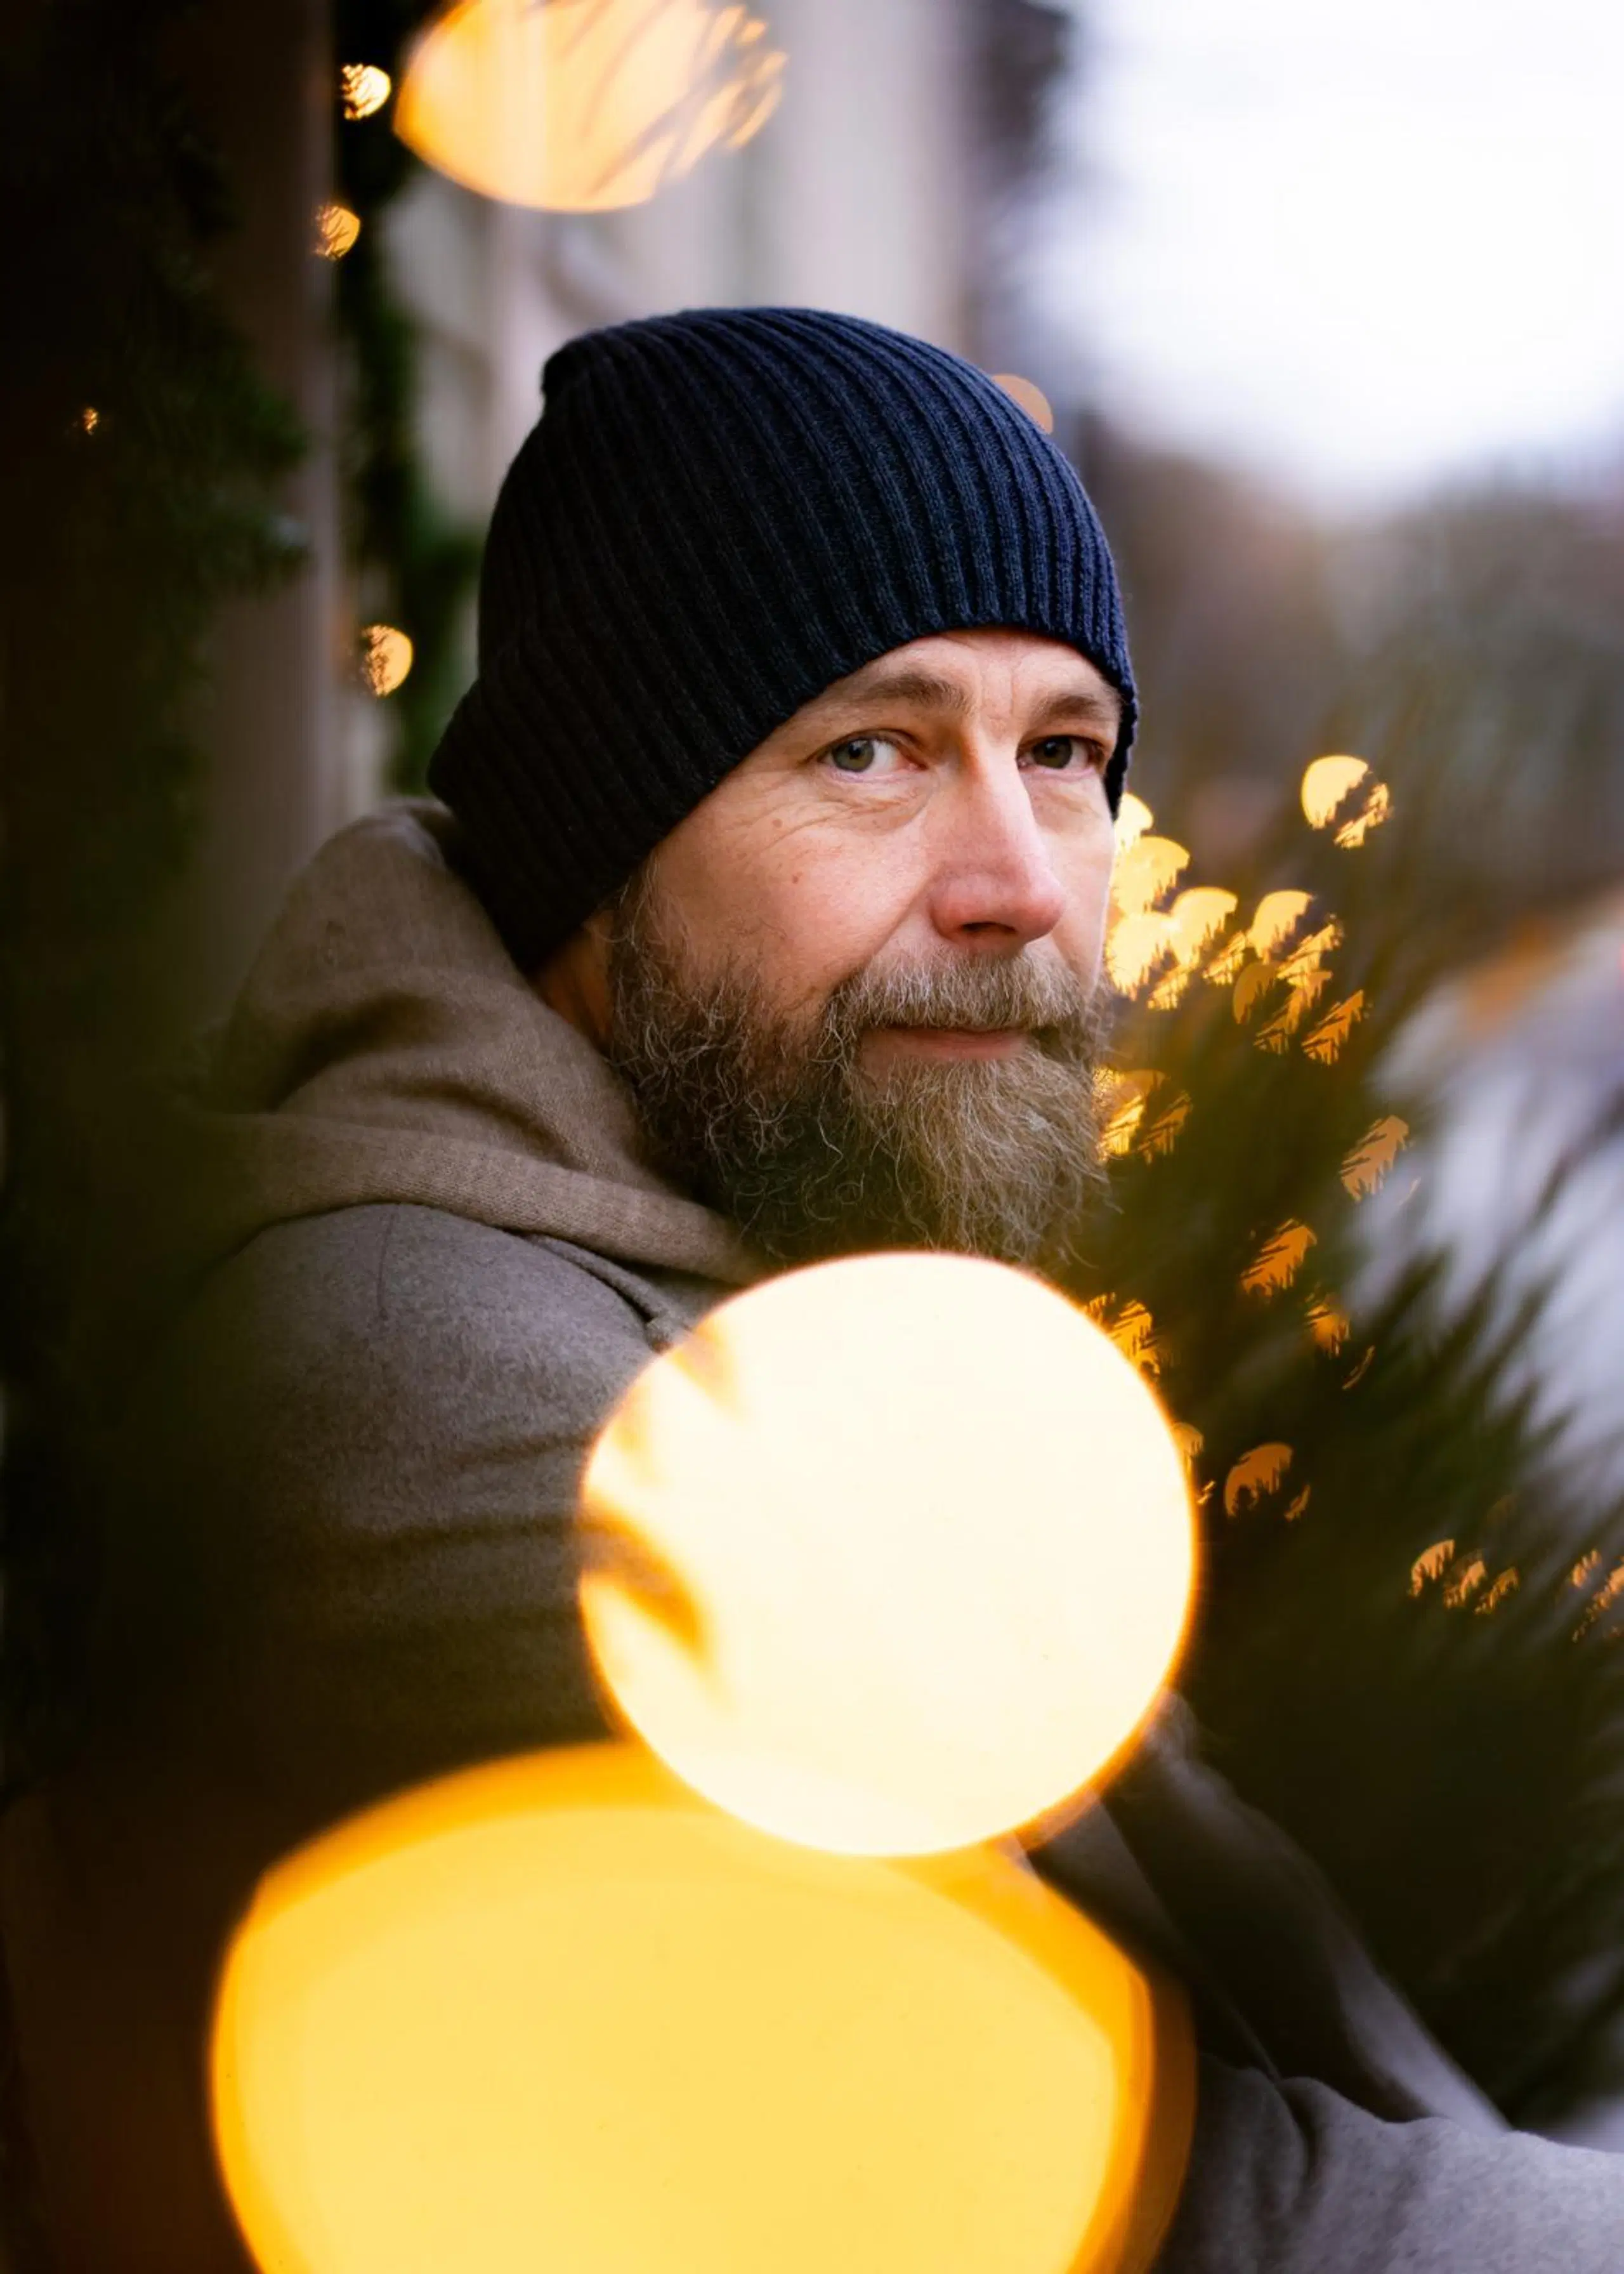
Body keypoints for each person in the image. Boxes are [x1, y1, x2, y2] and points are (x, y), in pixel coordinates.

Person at [14, 308, 1622, 2270]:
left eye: (1065, 755)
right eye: (870, 748)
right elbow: (1113, 2199)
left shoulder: (773, 1293)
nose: (1020, 877)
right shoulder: (415, 1400)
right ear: (590, 850)